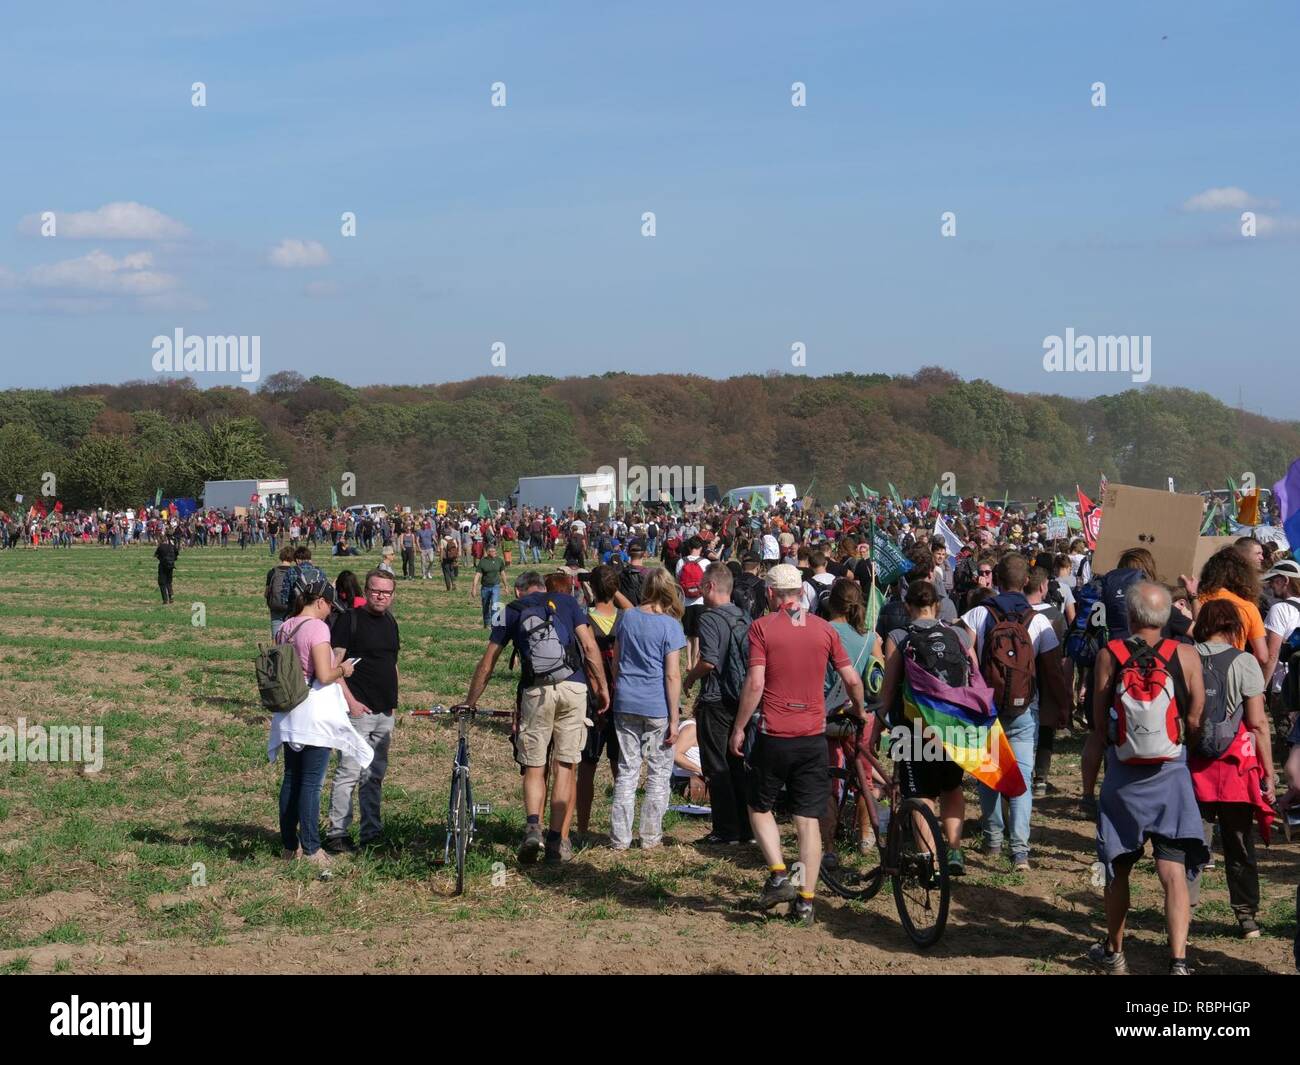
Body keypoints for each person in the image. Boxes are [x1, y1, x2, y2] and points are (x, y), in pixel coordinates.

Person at [730, 564, 865, 926]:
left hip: (775, 734)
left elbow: (755, 684)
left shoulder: (761, 628)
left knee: (759, 807)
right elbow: (852, 679)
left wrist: (739, 727)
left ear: (771, 595)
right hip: (812, 736)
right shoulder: (824, 629)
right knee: (808, 820)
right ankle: (806, 900)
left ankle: (777, 874)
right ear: (801, 594)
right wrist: (860, 710)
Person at [1087, 581, 1207, 976]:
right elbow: (1194, 720)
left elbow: (1098, 722)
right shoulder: (1186, 655)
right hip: (1171, 774)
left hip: (1123, 776)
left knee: (1118, 868)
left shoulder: (1111, 654)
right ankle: (1178, 960)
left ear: (1132, 615)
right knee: (1172, 870)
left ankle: (1115, 953)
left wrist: (1090, 785)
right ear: (1167, 615)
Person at [464, 570, 608, 863]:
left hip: (536, 691)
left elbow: (488, 661)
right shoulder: (567, 603)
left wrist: (470, 701)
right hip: (573, 687)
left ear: (518, 591)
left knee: (534, 764)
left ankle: (533, 827)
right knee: (565, 765)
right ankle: (557, 839)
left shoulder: (510, 611)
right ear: (543, 588)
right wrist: (602, 687)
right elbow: (590, 647)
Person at [959, 553, 1069, 871]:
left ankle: (993, 838)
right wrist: (1061, 708)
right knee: (1020, 779)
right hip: (1025, 711)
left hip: (986, 708)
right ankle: (1020, 851)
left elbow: (960, 655)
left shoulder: (978, 614)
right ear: (1025, 582)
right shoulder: (1039, 621)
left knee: (989, 775)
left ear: (994, 579)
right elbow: (1052, 672)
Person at [872, 579, 980, 876]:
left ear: (908, 607)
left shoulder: (899, 635)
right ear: (937, 605)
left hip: (912, 728)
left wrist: (876, 727)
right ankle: (955, 850)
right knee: (952, 787)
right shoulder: (959, 634)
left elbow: (890, 687)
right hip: (953, 726)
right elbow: (974, 680)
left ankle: (928, 861)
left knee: (919, 795)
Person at [1187, 599, 1274, 938]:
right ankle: (1246, 916)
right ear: (1235, 626)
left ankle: (1184, 910)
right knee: (1239, 845)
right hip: (1236, 766)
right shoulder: (1244, 662)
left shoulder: (1186, 656)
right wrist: (1269, 772)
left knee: (1192, 844)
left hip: (1195, 765)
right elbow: (1257, 723)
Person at [273, 577, 357, 870]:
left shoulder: (285, 626)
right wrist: (342, 669)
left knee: (291, 779)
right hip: (313, 713)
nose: (330, 613)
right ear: (320, 602)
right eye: (330, 607)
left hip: (289, 711)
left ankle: (288, 846)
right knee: (310, 783)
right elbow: (323, 674)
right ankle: (311, 848)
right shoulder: (317, 627)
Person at [322, 569, 401, 853]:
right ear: (366, 591)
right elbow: (334, 666)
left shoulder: (391, 622)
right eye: (376, 590)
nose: (381, 596)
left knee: (374, 776)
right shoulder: (349, 620)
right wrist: (352, 702)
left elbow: (391, 663)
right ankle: (338, 834)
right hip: (358, 712)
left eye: (386, 592)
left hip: (384, 712)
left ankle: (371, 833)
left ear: (392, 595)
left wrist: (394, 699)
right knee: (349, 772)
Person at [608, 568, 687, 850]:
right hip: (656, 709)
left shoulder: (627, 617)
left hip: (626, 704)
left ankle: (619, 837)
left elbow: (615, 662)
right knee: (657, 771)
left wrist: (621, 688)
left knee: (627, 769)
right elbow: (672, 675)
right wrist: (675, 720)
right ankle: (650, 835)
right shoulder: (670, 626)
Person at [683, 563, 753, 845]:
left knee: (716, 765)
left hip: (716, 699)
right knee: (738, 763)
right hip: (740, 697)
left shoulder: (709, 618)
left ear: (710, 587)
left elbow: (709, 660)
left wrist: (689, 678)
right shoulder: (743, 616)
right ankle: (747, 827)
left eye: (701, 586)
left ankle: (725, 830)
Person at [570, 564, 620, 840]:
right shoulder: (626, 618)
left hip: (591, 697)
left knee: (586, 767)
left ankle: (583, 828)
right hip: (621, 697)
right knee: (619, 767)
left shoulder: (583, 620)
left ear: (591, 588)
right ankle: (619, 828)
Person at [1184, 546, 1269, 670]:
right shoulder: (1249, 608)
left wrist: (1193, 597)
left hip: (1199, 667)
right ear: (1244, 576)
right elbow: (1262, 656)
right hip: (1232, 669)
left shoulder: (1200, 599)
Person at [471, 544, 507, 628]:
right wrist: (474, 588)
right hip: (485, 587)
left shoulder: (499, 560)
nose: (495, 552)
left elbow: (502, 573)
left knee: (495, 604)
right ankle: (486, 623)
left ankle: (494, 624)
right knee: (485, 606)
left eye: (495, 551)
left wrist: (506, 586)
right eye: (492, 551)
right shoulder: (483, 562)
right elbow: (477, 575)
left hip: (496, 586)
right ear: (488, 552)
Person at [154, 536, 179, 604]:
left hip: (163, 566)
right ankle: (171, 596)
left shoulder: (160, 547)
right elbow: (177, 553)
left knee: (162, 583)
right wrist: (173, 559)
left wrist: (160, 558)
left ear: (161, 541)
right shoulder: (172, 546)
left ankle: (165, 600)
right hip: (171, 566)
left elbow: (156, 555)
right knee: (168, 582)